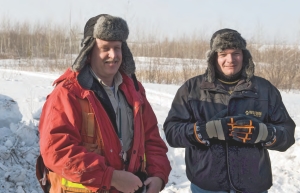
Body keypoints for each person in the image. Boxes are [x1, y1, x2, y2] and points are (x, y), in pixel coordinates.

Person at [38, 14, 171, 193]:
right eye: (105, 48)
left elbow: (152, 139)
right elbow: (58, 151)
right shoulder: (68, 93)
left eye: (117, 47)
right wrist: (112, 177)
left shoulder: (134, 90)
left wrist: (158, 177)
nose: (113, 55)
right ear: (89, 51)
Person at [163, 28, 295, 193]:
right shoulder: (192, 89)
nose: (230, 60)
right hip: (206, 185)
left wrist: (265, 133)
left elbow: (287, 134)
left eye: (236, 53)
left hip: (252, 186)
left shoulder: (264, 89)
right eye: (223, 54)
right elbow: (172, 132)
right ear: (213, 57)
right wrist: (203, 131)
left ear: (244, 55)